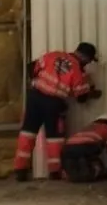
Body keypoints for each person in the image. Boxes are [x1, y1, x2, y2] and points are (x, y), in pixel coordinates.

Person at [18, 42, 100, 181]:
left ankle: (20, 170)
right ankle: (55, 172)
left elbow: (30, 68)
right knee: (54, 137)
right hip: (53, 104)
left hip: (34, 97)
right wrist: (91, 92)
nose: (87, 64)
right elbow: (81, 98)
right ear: (86, 58)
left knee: (28, 132)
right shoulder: (79, 72)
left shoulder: (53, 55)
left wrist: (41, 84)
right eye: (89, 61)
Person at [60, 116, 107, 183]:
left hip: (67, 147)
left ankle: (72, 174)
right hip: (87, 146)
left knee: (73, 168)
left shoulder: (89, 126)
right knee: (89, 170)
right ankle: (89, 171)